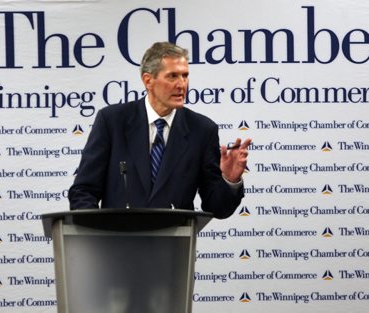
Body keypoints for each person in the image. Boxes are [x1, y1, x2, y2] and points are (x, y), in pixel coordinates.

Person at [69, 41, 251, 219]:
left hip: (174, 246)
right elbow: (84, 191)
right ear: (148, 80)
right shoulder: (112, 121)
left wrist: (230, 180)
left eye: (185, 76)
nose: (182, 85)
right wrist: (95, 232)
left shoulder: (202, 130)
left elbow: (217, 208)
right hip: (115, 243)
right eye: (172, 76)